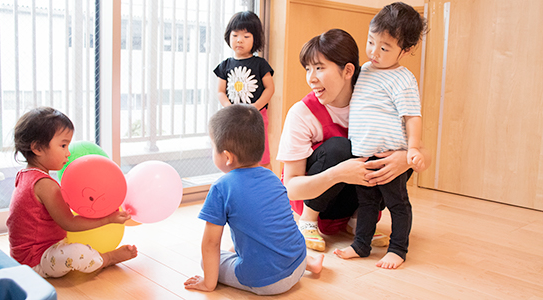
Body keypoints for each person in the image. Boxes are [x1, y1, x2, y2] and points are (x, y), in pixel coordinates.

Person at [277, 28, 430, 253]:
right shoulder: (302, 113)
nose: (311, 78)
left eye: (319, 68)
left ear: (348, 70)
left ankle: (358, 221)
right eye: (308, 69)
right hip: (315, 197)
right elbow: (291, 188)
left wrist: (404, 160)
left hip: (357, 197)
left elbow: (423, 153)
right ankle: (308, 221)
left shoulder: (376, 100)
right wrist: (338, 173)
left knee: (396, 153)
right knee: (341, 148)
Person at [184, 104, 323, 296]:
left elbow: (210, 244)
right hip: (298, 262)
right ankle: (312, 264)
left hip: (267, 282)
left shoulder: (221, 187)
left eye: (213, 147)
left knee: (207, 261)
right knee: (273, 240)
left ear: (227, 157)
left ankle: (224, 275)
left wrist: (208, 283)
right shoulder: (272, 177)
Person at [334, 2, 428, 270]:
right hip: (363, 152)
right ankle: (361, 245)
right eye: (371, 41)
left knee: (398, 203)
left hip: (389, 155)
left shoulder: (403, 79)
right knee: (366, 203)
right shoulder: (363, 70)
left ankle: (398, 249)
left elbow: (412, 116)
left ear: (405, 50)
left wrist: (413, 149)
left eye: (384, 48)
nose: (374, 52)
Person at [7, 107, 137, 278]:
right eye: (63, 145)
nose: (68, 153)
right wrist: (109, 219)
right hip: (37, 261)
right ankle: (107, 258)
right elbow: (69, 223)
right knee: (78, 252)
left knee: (75, 246)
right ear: (37, 148)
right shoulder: (45, 184)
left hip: (26, 257)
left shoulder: (25, 175)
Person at [214, 11, 275, 170]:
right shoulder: (225, 65)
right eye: (235, 35)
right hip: (233, 119)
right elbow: (220, 91)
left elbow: (270, 89)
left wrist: (255, 107)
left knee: (262, 157)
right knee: (235, 157)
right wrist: (230, 108)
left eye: (246, 36)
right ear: (229, 37)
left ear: (255, 39)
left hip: (256, 118)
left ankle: (270, 189)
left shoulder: (260, 64)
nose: (239, 40)